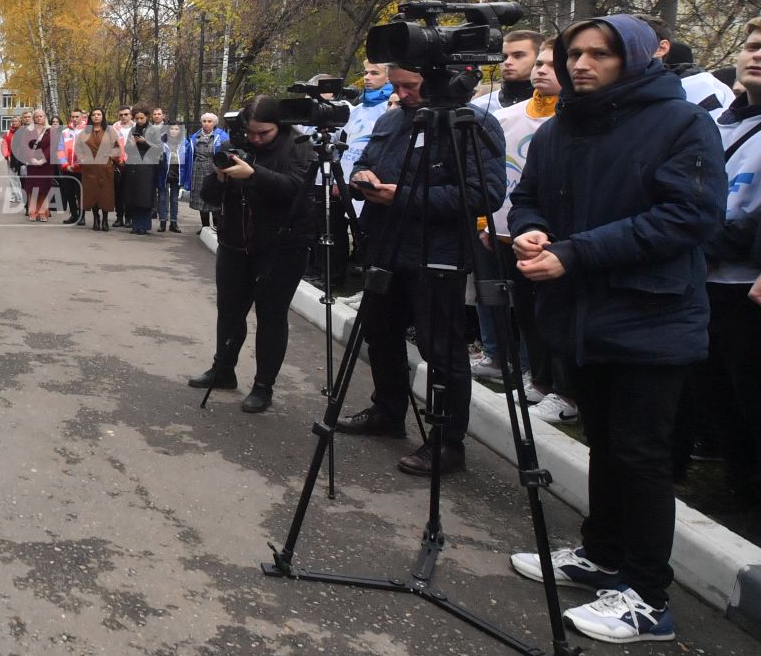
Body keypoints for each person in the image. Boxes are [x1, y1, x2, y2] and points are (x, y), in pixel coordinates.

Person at [507, 15, 725, 644]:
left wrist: (574, 253)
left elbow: (688, 217)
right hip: (583, 315)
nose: (581, 65)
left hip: (652, 316)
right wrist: (531, 226)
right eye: (574, 53)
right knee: (604, 440)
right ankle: (602, 556)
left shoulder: (680, 123)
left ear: (633, 58)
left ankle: (648, 597)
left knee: (641, 455)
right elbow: (529, 196)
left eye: (599, 55)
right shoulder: (562, 126)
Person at [333, 63, 506, 477]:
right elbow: (367, 161)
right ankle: (387, 412)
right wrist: (363, 178)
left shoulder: (472, 123)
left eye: (411, 86)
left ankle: (447, 443)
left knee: (440, 350)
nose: (403, 93)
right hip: (385, 246)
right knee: (380, 334)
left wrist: (405, 196)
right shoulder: (394, 118)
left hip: (438, 253)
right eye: (398, 86)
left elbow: (487, 193)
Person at [187, 96, 318, 412]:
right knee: (229, 310)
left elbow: (297, 190)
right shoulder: (237, 143)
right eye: (251, 132)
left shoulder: (297, 145)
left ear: (280, 127)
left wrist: (253, 173)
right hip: (235, 242)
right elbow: (208, 195)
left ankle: (263, 387)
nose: (256, 138)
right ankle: (223, 370)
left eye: (264, 133)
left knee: (271, 315)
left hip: (281, 246)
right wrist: (220, 178)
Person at [696, 16, 761, 500]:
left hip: (747, 282)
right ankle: (736, 487)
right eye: (753, 45)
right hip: (705, 279)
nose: (756, 55)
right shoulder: (716, 120)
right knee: (715, 393)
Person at [482, 42, 563, 415]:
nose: (541, 70)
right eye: (540, 64)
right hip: (506, 229)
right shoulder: (507, 116)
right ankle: (528, 373)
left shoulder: (570, 122)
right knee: (518, 308)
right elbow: (493, 174)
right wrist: (485, 220)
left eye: (549, 63)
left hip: (556, 239)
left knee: (550, 312)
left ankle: (556, 385)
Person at [472, 29, 542, 113]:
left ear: (540, 58)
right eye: (504, 57)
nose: (507, 62)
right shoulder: (480, 107)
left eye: (518, 56)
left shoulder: (555, 107)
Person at [119, 107, 163, 234]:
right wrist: (131, 145)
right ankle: (136, 225)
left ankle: (144, 225)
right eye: (137, 118)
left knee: (145, 196)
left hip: (148, 166)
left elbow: (159, 149)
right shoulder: (133, 129)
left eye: (141, 118)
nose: (139, 120)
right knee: (134, 196)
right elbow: (127, 149)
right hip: (133, 166)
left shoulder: (154, 130)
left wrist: (145, 142)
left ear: (147, 117)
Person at [75, 107, 120, 231]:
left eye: (98, 114)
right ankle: (96, 219)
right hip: (90, 168)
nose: (96, 116)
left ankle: (105, 220)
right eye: (94, 114)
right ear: (90, 117)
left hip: (105, 167)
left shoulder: (110, 131)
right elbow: (78, 148)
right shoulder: (85, 132)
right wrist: (82, 159)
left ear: (102, 116)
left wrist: (111, 155)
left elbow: (117, 147)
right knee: (92, 194)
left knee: (105, 195)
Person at [182, 113, 227, 229]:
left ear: (214, 123)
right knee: (201, 198)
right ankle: (205, 226)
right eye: (204, 121)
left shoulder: (222, 137)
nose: (206, 124)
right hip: (197, 170)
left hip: (214, 170)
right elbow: (188, 155)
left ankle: (217, 227)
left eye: (209, 121)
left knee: (213, 198)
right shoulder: (194, 137)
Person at [16, 110, 53, 220]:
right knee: (33, 188)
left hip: (46, 165)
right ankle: (33, 212)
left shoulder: (50, 130)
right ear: (34, 118)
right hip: (32, 164)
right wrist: (31, 158)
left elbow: (52, 146)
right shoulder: (29, 130)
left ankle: (43, 213)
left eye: (41, 116)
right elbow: (24, 146)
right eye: (36, 116)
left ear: (45, 117)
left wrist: (43, 159)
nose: (38, 118)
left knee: (44, 188)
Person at [150, 106, 180, 232]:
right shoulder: (162, 142)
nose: (173, 131)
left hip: (177, 173)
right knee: (162, 197)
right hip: (163, 172)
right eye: (171, 129)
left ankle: (173, 222)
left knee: (174, 199)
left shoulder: (184, 143)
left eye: (176, 129)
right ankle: (162, 221)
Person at [57, 108, 85, 225]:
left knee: (80, 194)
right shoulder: (65, 132)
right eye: (72, 117)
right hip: (67, 169)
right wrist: (66, 165)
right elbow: (60, 150)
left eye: (77, 117)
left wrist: (76, 165)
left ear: (82, 117)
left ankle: (81, 217)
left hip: (81, 169)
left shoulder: (87, 131)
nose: (74, 119)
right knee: (69, 193)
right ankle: (73, 215)